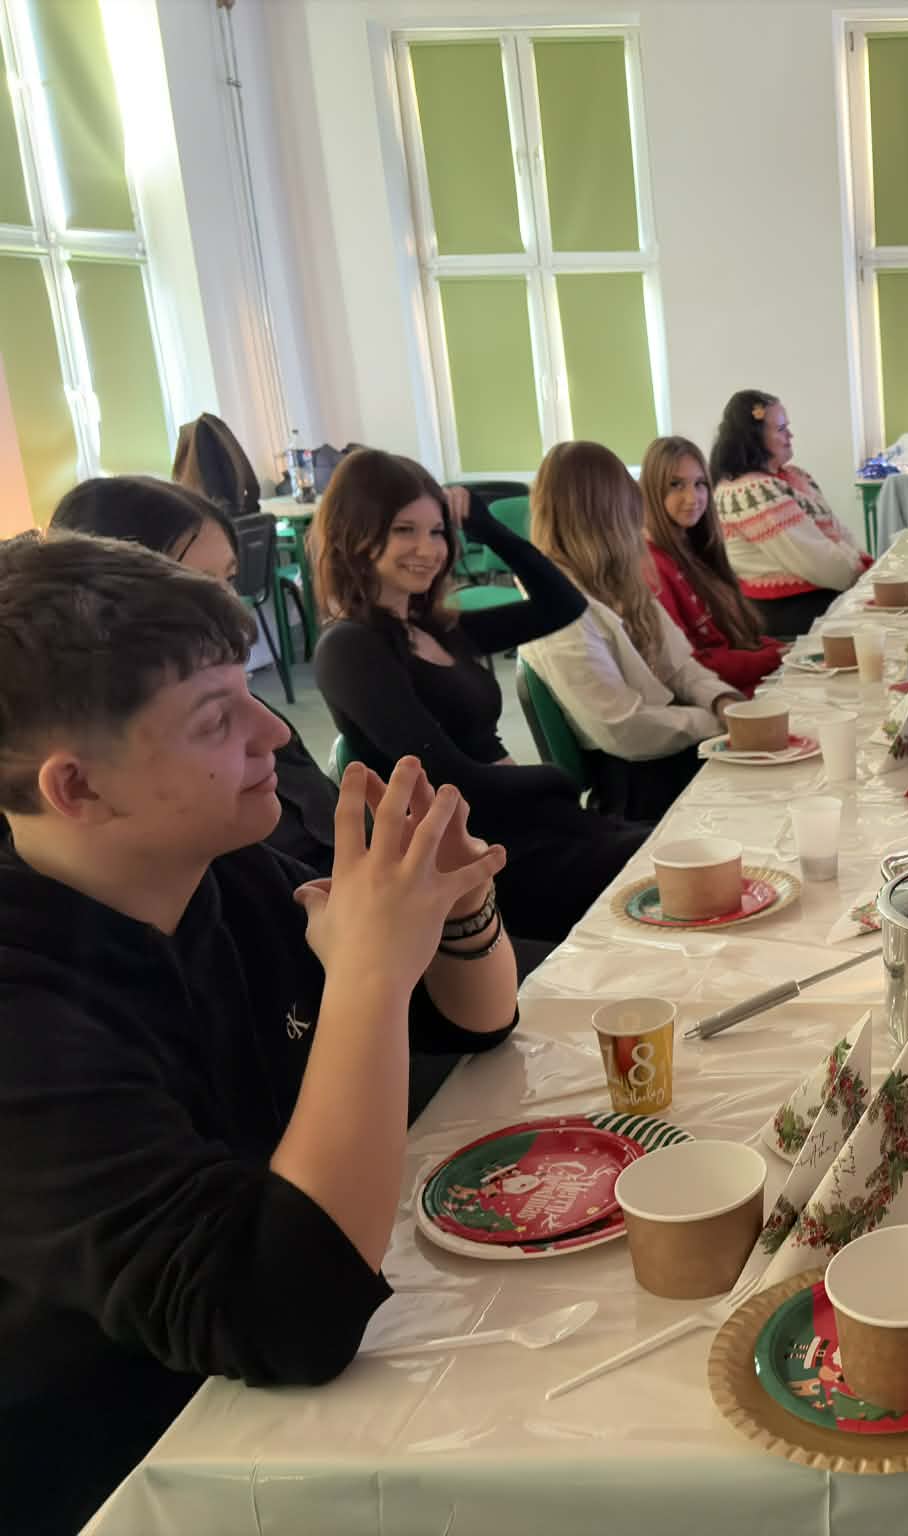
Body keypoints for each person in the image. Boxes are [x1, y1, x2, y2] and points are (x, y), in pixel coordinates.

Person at [0, 532, 517, 1536]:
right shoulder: (26, 1012)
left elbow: (476, 1021)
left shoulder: (221, 871)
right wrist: (369, 973)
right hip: (131, 1470)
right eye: (215, 718)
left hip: (278, 1390)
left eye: (251, 693)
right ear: (78, 788)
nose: (274, 731)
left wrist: (452, 902)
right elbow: (291, 1315)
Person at [311, 449, 644, 943]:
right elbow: (447, 779)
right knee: (662, 864)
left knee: (679, 844)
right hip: (473, 862)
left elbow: (563, 604)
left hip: (524, 825)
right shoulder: (349, 648)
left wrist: (486, 527)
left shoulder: (436, 629)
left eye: (437, 531)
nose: (428, 548)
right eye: (404, 530)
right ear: (354, 534)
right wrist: (554, 779)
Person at [48, 475, 340, 872]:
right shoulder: (155, 801)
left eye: (229, 581)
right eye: (195, 591)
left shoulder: (251, 715)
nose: (232, 614)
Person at [523, 440, 740, 822]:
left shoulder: (616, 577)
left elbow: (679, 667)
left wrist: (723, 701)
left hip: (668, 750)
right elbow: (623, 729)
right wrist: (716, 723)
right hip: (636, 782)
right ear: (602, 516)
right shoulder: (553, 606)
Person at [709, 389, 869, 637]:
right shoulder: (749, 492)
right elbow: (823, 565)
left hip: (820, 597)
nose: (790, 435)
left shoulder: (795, 476)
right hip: (787, 611)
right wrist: (859, 568)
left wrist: (861, 563)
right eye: (781, 429)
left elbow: (839, 532)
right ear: (755, 437)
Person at [642, 434, 785, 694]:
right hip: (725, 699)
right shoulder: (652, 567)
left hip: (752, 682)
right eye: (676, 485)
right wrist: (776, 656)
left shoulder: (696, 547)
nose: (692, 498)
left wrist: (781, 651)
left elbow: (737, 639)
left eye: (699, 484)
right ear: (652, 491)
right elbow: (693, 667)